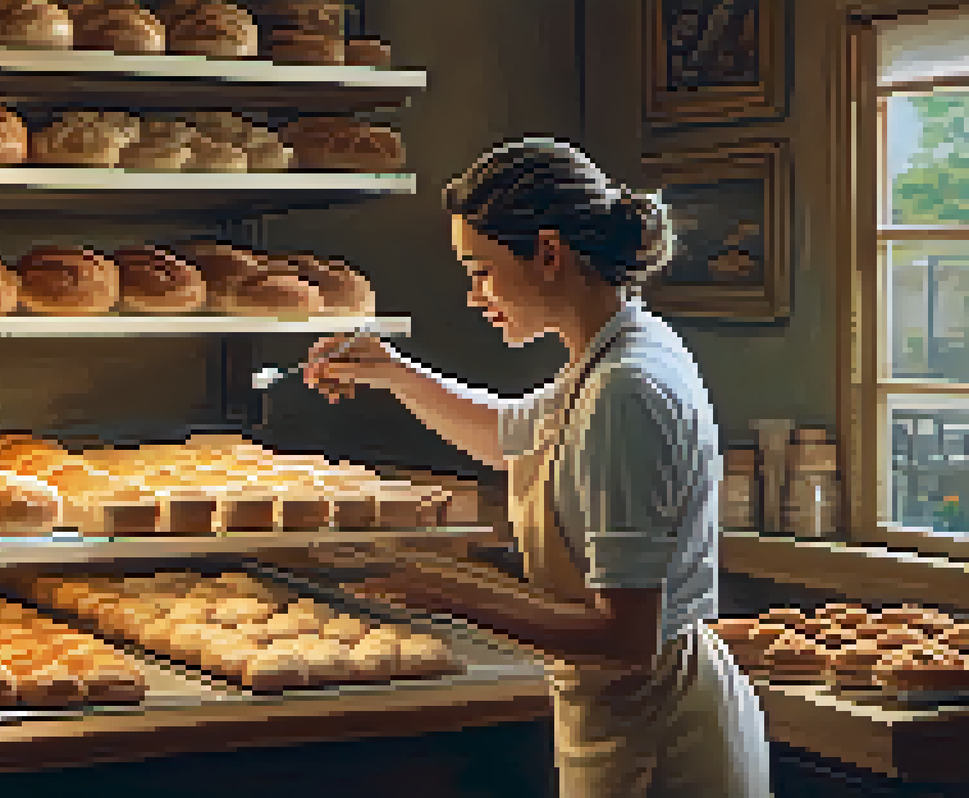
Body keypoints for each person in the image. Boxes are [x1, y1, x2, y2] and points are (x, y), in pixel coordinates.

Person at [302, 137, 771, 798]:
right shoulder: (612, 353)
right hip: (629, 710)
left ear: (548, 253)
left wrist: (444, 590)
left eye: (481, 270)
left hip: (660, 730)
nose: (474, 296)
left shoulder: (625, 389)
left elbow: (626, 635)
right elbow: (512, 437)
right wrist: (394, 374)